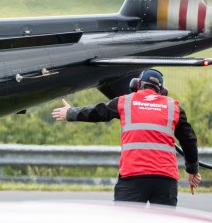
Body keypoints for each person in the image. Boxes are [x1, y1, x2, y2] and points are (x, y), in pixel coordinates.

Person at [52, 68, 201, 206]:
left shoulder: (125, 101)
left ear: (137, 85)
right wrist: (192, 170)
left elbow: (97, 112)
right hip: (165, 178)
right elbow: (189, 139)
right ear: (162, 90)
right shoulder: (173, 107)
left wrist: (70, 113)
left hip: (133, 176)